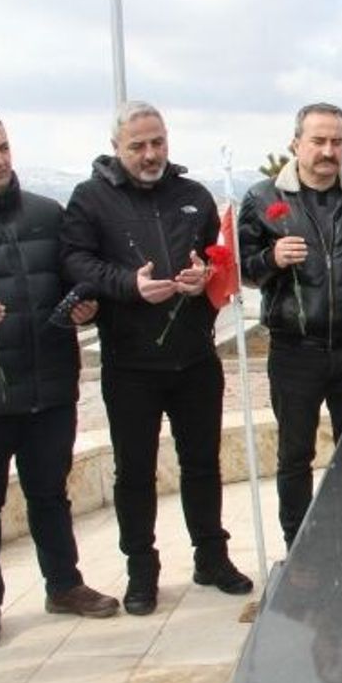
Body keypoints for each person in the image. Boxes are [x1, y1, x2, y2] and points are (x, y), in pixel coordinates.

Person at [61, 101, 252, 616]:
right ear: (117, 148)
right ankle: (141, 572)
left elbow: (215, 261)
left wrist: (200, 276)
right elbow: (75, 260)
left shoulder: (193, 196)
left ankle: (212, 558)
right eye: (138, 146)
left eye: (158, 142)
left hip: (193, 357)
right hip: (130, 363)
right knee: (135, 472)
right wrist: (128, 285)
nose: (150, 154)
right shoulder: (90, 198)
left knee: (202, 464)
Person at [0, 109, 120, 650]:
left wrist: (86, 307)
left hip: (48, 384)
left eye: (3, 147)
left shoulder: (47, 213)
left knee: (50, 494)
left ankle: (63, 585)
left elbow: (77, 276)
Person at [237, 103, 342, 549]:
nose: (328, 150)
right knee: (294, 455)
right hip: (294, 348)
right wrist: (270, 259)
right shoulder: (263, 198)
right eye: (318, 141)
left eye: (337, 141)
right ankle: (299, 547)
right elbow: (244, 271)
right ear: (296, 144)